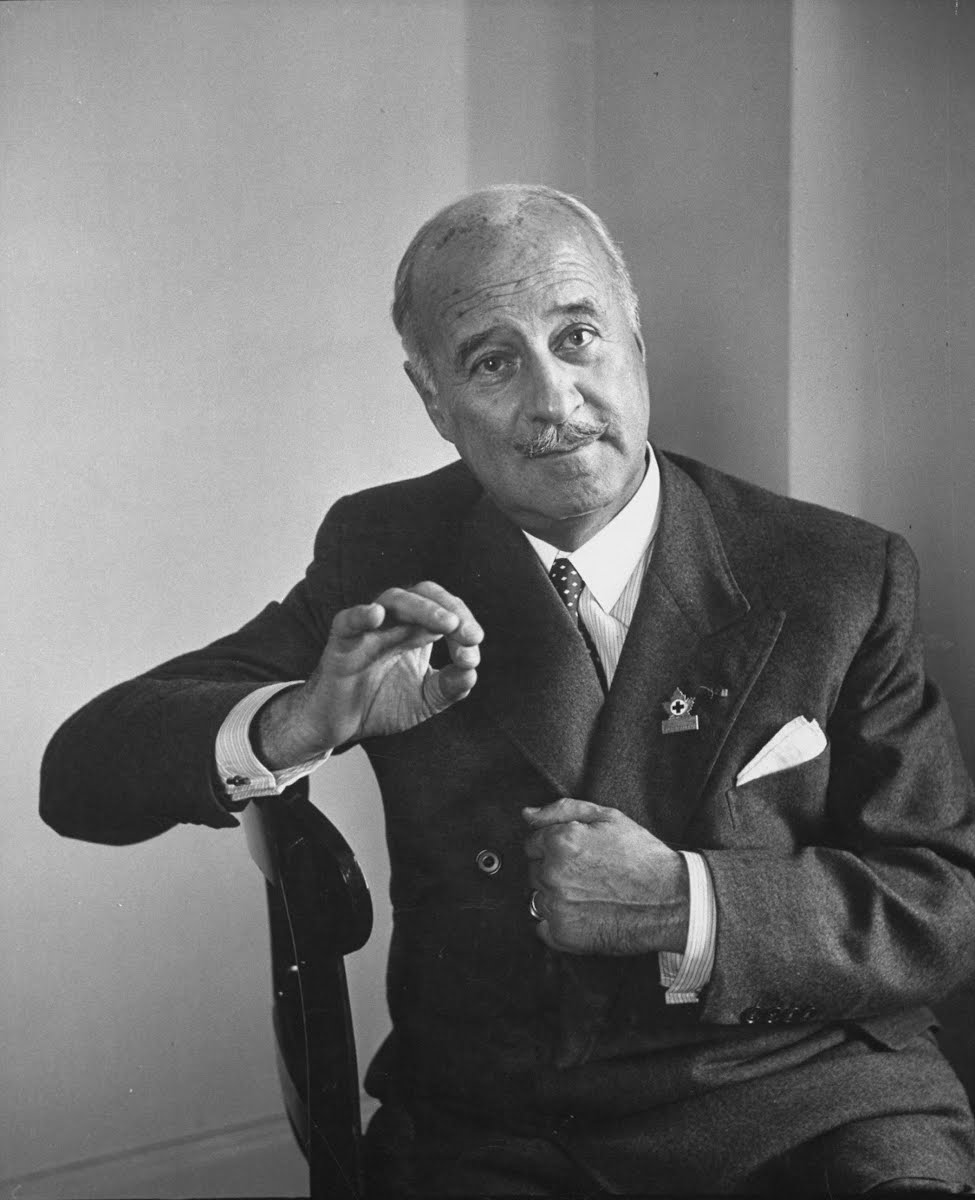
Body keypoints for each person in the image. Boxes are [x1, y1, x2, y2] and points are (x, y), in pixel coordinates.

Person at [41, 184, 975, 1196]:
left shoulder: (834, 571)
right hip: (508, 1128)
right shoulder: (383, 550)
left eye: (578, 338)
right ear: (433, 400)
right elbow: (79, 779)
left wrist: (688, 903)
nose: (553, 400)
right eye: (492, 361)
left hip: (806, 1096)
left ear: (635, 343)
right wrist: (304, 719)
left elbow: (944, 903)